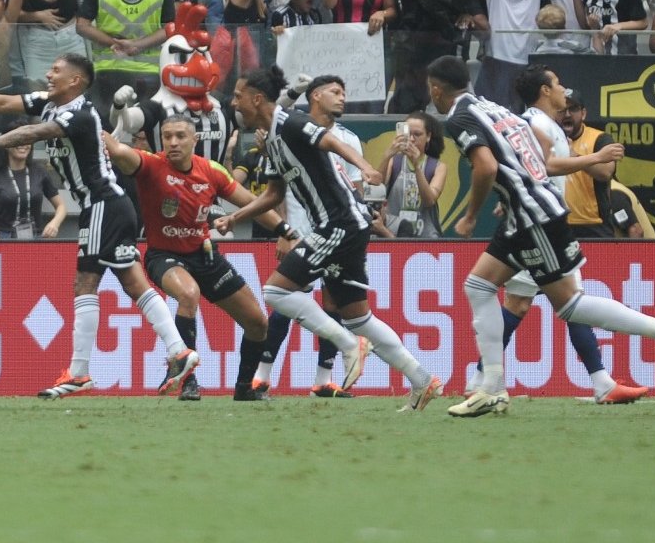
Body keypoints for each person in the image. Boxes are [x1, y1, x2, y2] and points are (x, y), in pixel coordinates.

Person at [426, 55, 655, 417]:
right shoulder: (491, 106)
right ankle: (490, 386)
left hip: (533, 217)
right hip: (528, 213)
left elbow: (487, 166)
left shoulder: (460, 118)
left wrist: (471, 215)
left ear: (435, 89)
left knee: (570, 305)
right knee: (478, 286)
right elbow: (531, 155)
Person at [0, 53, 200, 399]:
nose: (48, 74)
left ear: (76, 81)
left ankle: (82, 372)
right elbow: (7, 102)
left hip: (103, 203)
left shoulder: (81, 114)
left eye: (56, 70)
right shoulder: (51, 103)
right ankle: (178, 350)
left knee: (85, 284)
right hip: (108, 205)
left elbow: (36, 132)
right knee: (132, 283)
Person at [216, 66, 445, 411]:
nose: (234, 102)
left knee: (276, 292)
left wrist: (365, 167)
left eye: (237, 96)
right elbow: (274, 195)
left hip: (338, 223)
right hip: (344, 226)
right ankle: (423, 381)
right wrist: (235, 216)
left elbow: (330, 140)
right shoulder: (270, 138)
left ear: (256, 98)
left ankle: (348, 344)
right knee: (359, 316)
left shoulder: (289, 122)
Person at [467, 65, 649, 405]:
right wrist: (596, 156)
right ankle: (601, 381)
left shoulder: (547, 125)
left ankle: (482, 380)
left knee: (523, 303)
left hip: (540, 222)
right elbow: (543, 166)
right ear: (544, 91)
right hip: (539, 227)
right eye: (557, 83)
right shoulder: (534, 123)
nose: (563, 87)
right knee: (564, 302)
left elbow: (527, 173)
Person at [102, 115, 287, 401]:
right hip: (164, 256)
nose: (173, 142)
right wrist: (97, 128)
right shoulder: (151, 165)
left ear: (195, 140)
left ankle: (244, 389)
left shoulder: (211, 171)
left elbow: (253, 203)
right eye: (167, 136)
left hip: (205, 255)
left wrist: (283, 229)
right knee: (189, 294)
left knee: (258, 323)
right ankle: (187, 380)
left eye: (180, 136)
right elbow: (122, 154)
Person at [246, 75, 377, 400]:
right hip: (303, 228)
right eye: (335, 92)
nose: (341, 98)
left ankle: (323, 379)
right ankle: (261, 376)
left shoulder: (348, 139)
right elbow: (279, 190)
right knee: (286, 297)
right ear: (315, 97)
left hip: (338, 228)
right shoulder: (287, 129)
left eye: (344, 92)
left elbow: (355, 188)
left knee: (331, 300)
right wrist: (285, 230)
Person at [77, 0, 174, 119]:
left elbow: (82, 26)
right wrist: (138, 45)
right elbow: (170, 28)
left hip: (108, 69)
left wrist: (112, 42)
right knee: (145, 128)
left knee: (106, 129)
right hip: (148, 71)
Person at [0, 119, 66, 242]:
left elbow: (61, 206)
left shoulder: (39, 171)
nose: (23, 145)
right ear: (5, 144)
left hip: (36, 238)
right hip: (4, 238)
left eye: (27, 141)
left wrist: (54, 224)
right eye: (17, 141)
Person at [379, 112, 447, 238]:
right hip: (394, 232)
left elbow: (429, 200)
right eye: (408, 134)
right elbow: (378, 186)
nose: (411, 139)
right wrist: (387, 156)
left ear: (428, 136)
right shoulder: (395, 161)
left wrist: (417, 166)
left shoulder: (438, 167)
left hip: (425, 236)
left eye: (417, 134)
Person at [560, 92, 618, 238]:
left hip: (594, 225)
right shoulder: (548, 138)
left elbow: (605, 173)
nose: (567, 114)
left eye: (573, 109)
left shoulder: (600, 138)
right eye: (562, 109)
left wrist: (575, 157)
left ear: (583, 113)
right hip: (558, 223)